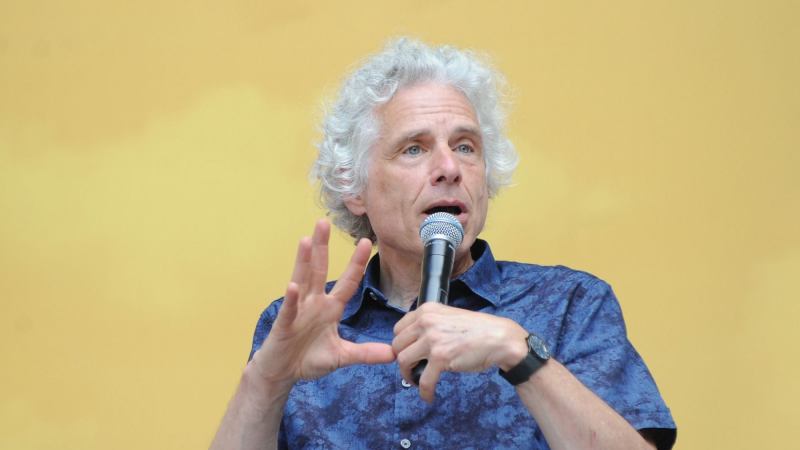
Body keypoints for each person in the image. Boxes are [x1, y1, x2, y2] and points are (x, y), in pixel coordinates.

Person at [211, 38, 676, 450]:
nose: (449, 168)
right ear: (354, 187)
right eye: (414, 148)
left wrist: (518, 352)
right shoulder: (299, 325)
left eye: (466, 146)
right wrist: (267, 381)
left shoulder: (571, 305)